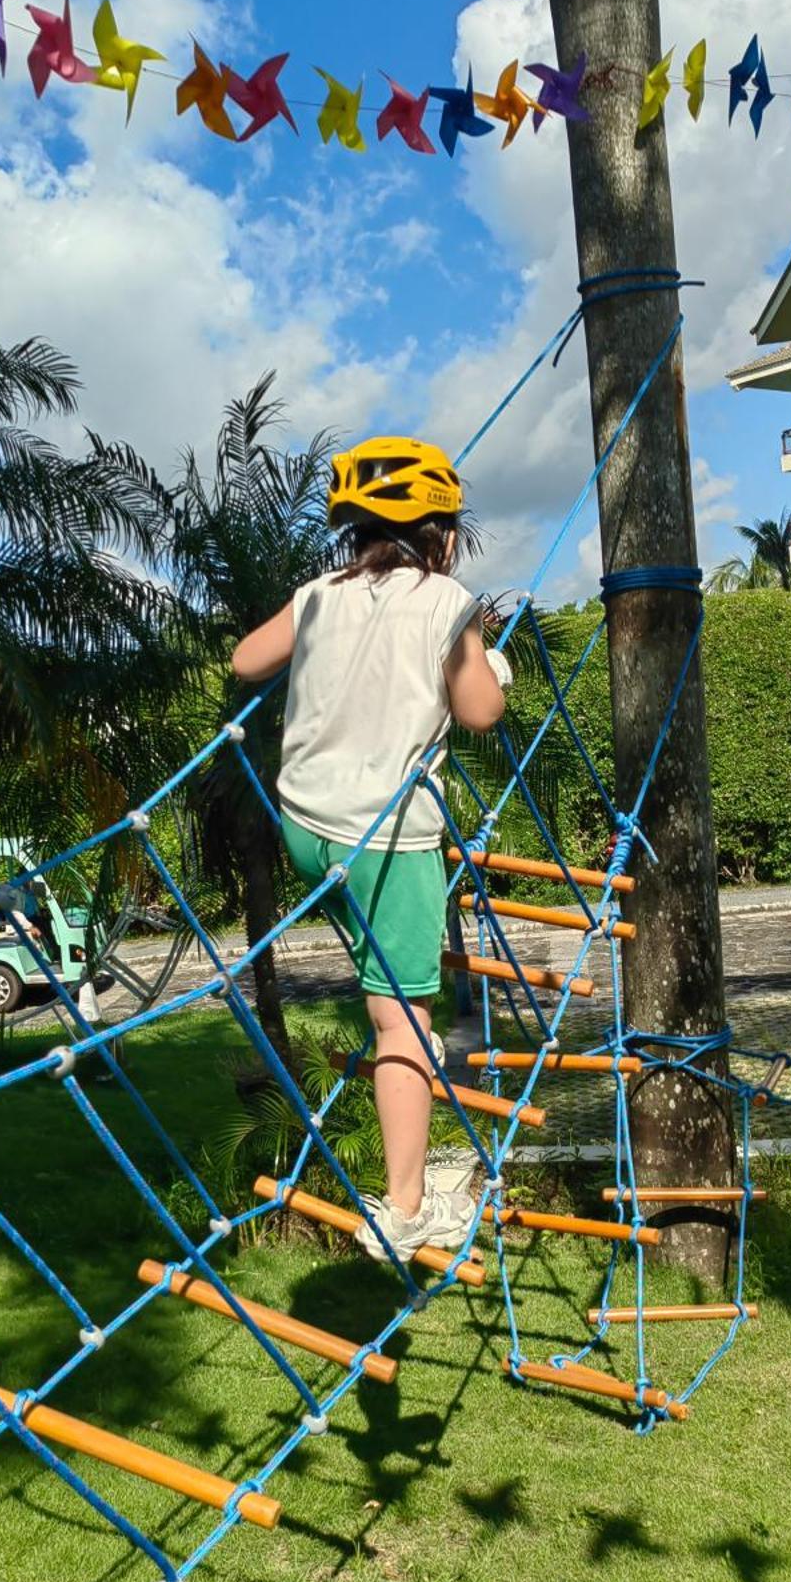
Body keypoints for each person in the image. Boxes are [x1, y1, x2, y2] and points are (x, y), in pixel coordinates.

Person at [231, 436, 510, 1263]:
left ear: (352, 529)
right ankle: (405, 1204)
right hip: (388, 839)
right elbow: (481, 712)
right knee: (402, 1023)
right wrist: (489, 655)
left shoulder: (317, 595)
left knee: (385, 994)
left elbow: (248, 660)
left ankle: (412, 1180)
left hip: (308, 829)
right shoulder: (444, 599)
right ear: (444, 535)